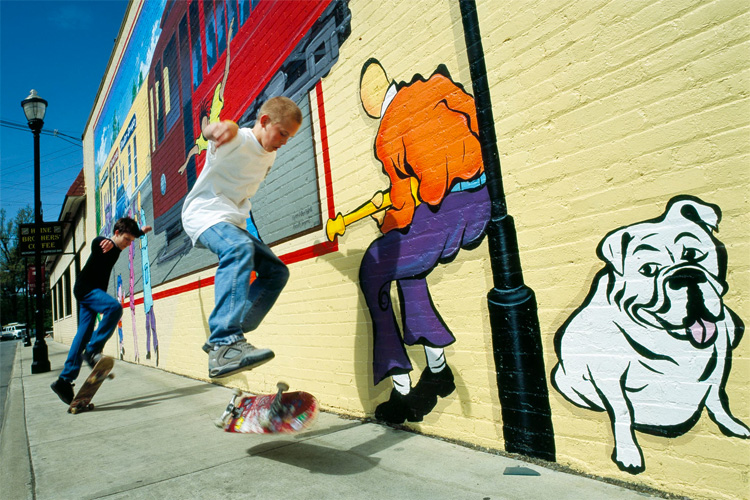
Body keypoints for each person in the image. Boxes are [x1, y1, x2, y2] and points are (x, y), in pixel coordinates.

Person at [358, 60, 490, 424]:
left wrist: (384, 224)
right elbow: (479, 120)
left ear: (371, 106)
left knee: (374, 268)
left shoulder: (386, 134)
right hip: (482, 199)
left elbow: (401, 206)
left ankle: (401, 390)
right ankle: (438, 370)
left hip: (446, 211)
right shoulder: (437, 85)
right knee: (407, 267)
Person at [181, 96, 302, 379]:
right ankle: (225, 342)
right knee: (238, 249)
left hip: (231, 222)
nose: (284, 141)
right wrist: (216, 130)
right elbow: (218, 132)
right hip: (204, 215)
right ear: (264, 121)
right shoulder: (238, 139)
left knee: (276, 273)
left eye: (290, 137)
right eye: (282, 133)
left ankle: (222, 341)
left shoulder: (269, 154)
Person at [51, 217, 152, 404]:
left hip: (85, 291)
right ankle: (93, 349)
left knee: (83, 333)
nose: (128, 244)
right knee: (114, 308)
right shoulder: (104, 244)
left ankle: (64, 380)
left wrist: (141, 232)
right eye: (127, 240)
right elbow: (97, 242)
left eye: (131, 240)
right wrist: (102, 240)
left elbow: (131, 234)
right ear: (116, 234)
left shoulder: (120, 242)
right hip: (87, 290)